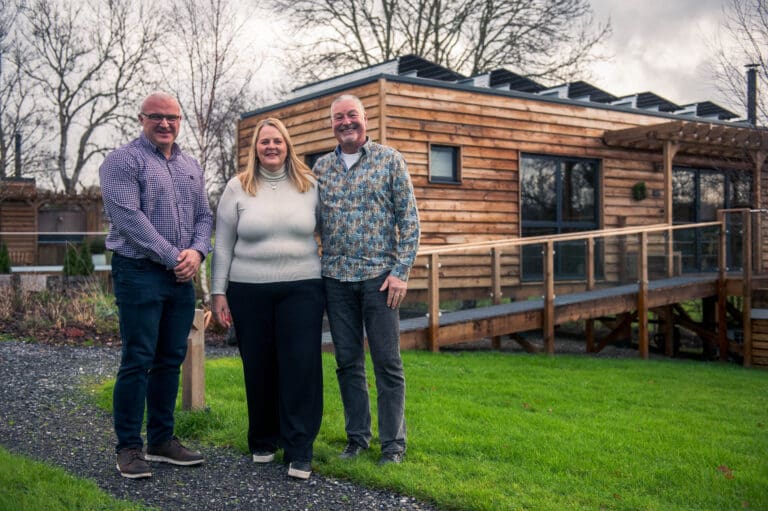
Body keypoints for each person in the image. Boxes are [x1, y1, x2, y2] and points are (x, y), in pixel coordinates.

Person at [99, 92, 213, 479]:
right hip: (139, 272)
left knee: (170, 358)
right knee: (138, 358)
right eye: (156, 117)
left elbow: (204, 216)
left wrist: (197, 253)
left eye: (172, 117)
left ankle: (162, 440)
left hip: (181, 275)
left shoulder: (190, 166)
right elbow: (129, 219)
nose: (165, 124)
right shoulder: (121, 162)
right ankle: (128, 448)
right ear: (141, 118)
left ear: (180, 121)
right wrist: (174, 257)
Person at [211, 117, 324, 481]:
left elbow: (329, 232)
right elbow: (223, 244)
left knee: (300, 367)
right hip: (248, 290)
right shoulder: (237, 188)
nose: (271, 147)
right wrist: (218, 292)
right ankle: (262, 439)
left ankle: (299, 448)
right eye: (264, 142)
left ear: (287, 145)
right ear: (255, 149)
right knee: (258, 365)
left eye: (277, 141)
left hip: (303, 289)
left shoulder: (310, 186)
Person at [313, 94, 420, 465]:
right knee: (347, 362)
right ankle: (357, 439)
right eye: (338, 117)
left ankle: (393, 446)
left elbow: (410, 221)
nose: (346, 122)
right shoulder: (320, 168)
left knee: (388, 364)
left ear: (365, 119)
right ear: (331, 124)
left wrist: (401, 272)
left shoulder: (390, 160)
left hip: (380, 280)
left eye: (352, 115)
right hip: (336, 280)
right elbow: (307, 223)